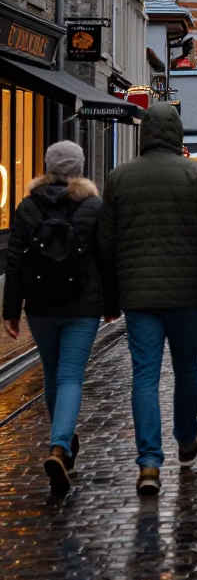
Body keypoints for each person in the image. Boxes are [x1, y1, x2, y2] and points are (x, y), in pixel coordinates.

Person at [98, 103, 197, 496]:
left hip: (139, 297)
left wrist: (110, 301)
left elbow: (106, 246)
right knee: (187, 369)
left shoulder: (119, 178)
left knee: (145, 375)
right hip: (187, 294)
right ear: (177, 134)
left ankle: (148, 463)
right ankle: (187, 439)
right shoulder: (195, 174)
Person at [2, 141, 110, 493]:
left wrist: (10, 311)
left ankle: (61, 439)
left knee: (52, 374)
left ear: (48, 167)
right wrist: (113, 302)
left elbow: (15, 260)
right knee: (70, 377)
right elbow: (106, 257)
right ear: (79, 169)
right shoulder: (93, 205)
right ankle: (60, 446)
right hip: (82, 305)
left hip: (40, 305)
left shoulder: (27, 206)